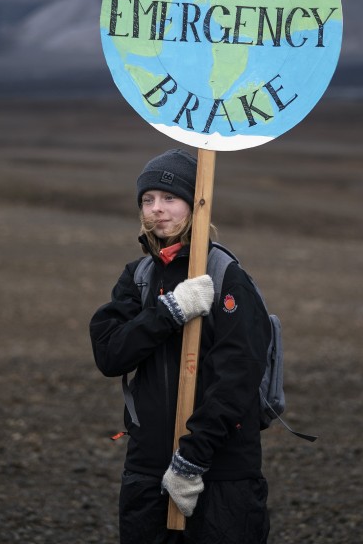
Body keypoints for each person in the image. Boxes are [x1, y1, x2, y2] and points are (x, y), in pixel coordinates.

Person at [90, 148, 271, 543]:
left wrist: (192, 458)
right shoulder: (137, 277)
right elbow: (110, 354)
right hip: (147, 468)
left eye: (170, 198)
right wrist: (169, 311)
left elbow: (237, 377)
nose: (157, 209)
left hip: (222, 473)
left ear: (195, 203)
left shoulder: (226, 277)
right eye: (148, 199)